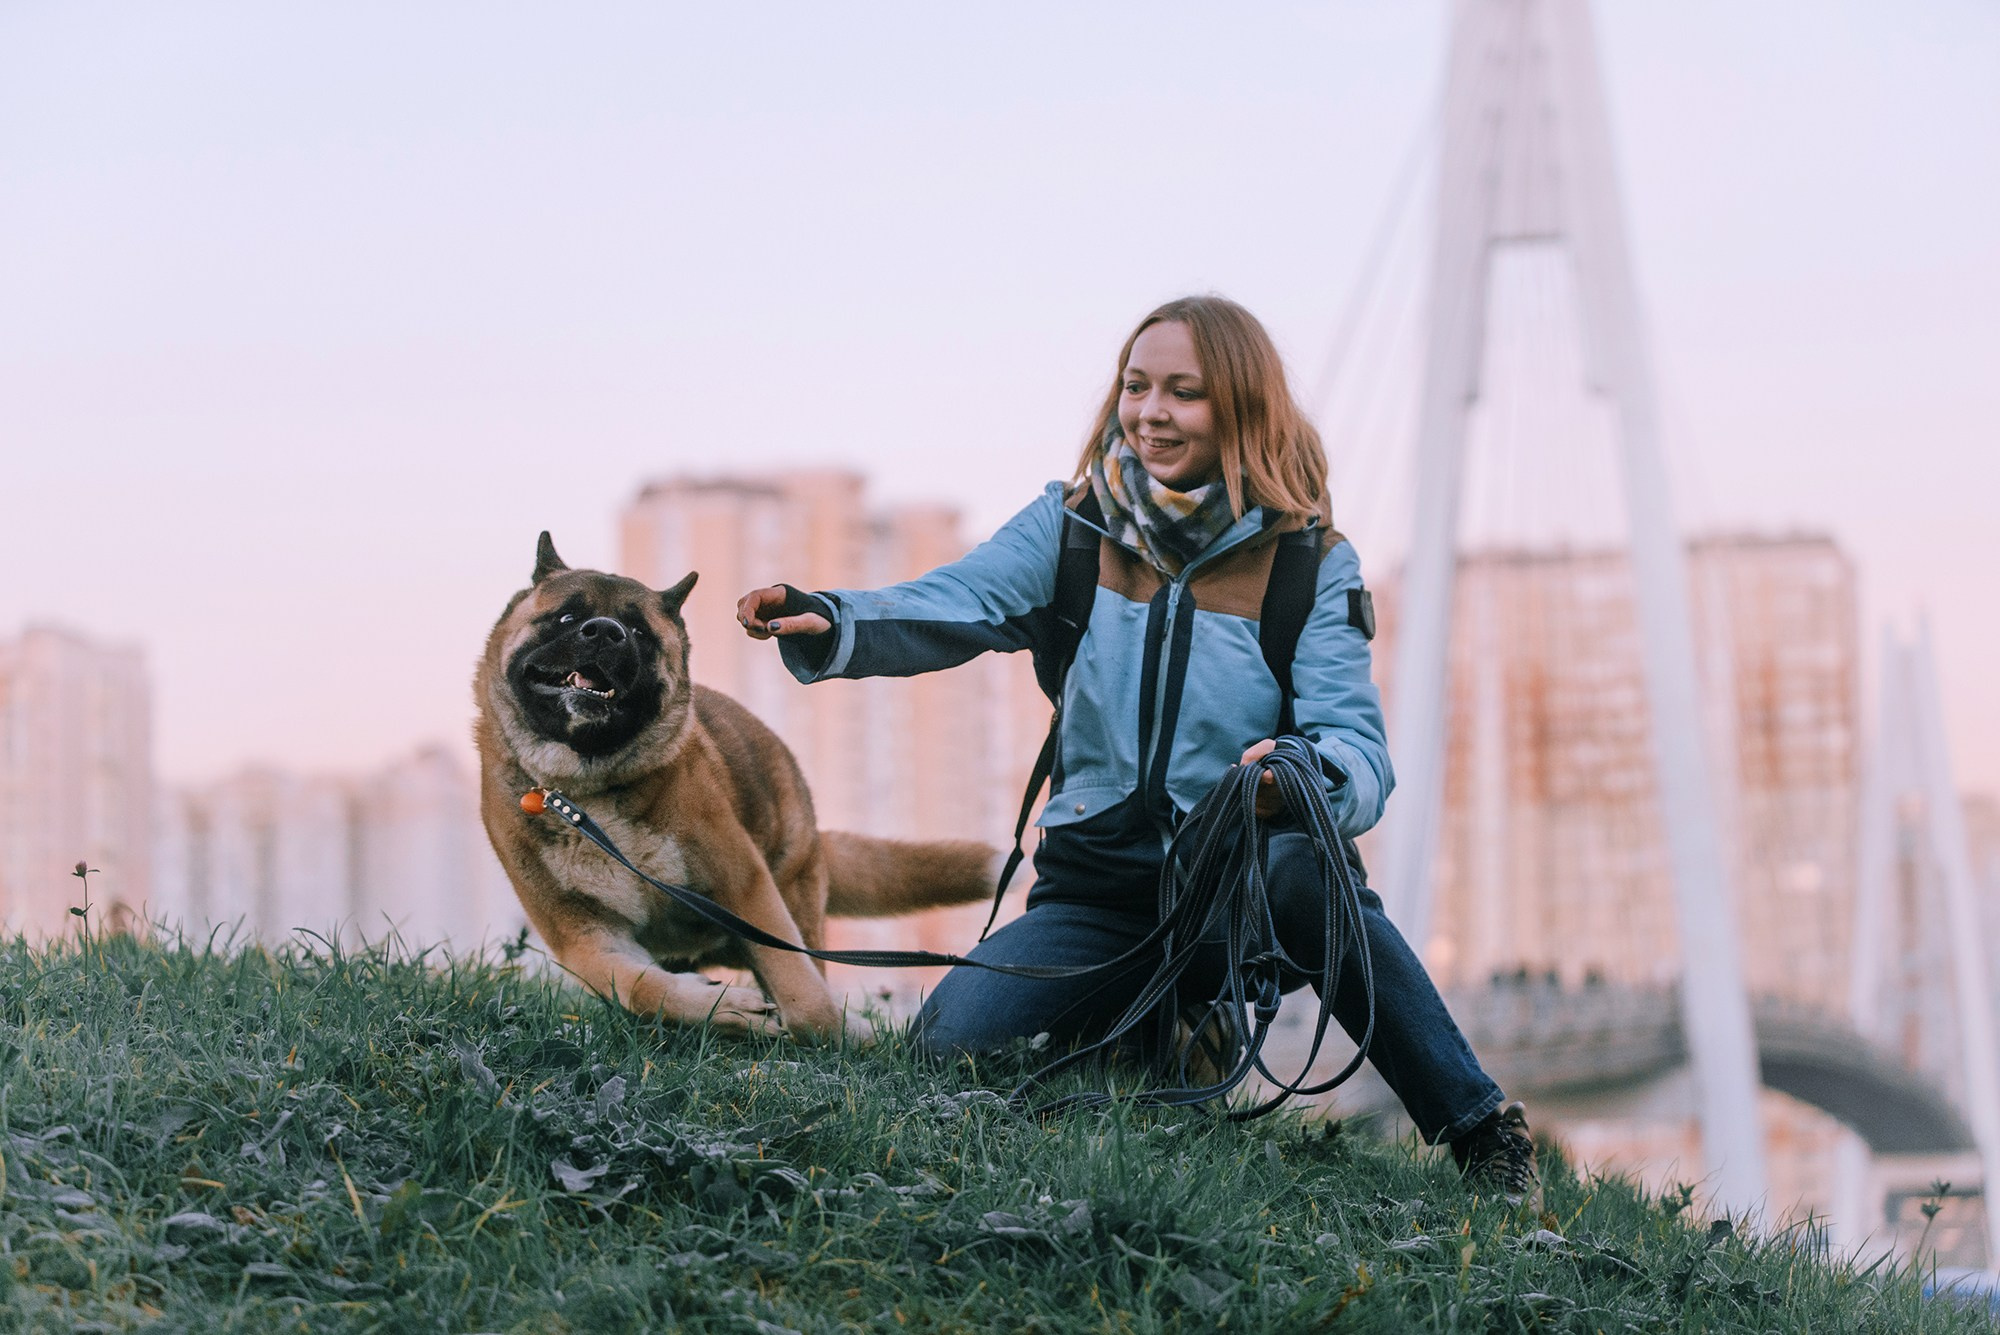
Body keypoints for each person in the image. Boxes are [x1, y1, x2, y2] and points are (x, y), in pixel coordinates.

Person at [735, 295, 1535, 1200]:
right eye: (1136, 386)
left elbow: (1360, 747)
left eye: (1184, 393)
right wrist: (834, 619)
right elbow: (957, 599)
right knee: (943, 1055)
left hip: (1239, 897)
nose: (1151, 411)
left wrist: (1301, 775)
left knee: (1318, 878)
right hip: (1099, 890)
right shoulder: (1073, 529)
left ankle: (1482, 1132)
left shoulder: (1310, 566)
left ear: (1241, 406)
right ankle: (1143, 1033)